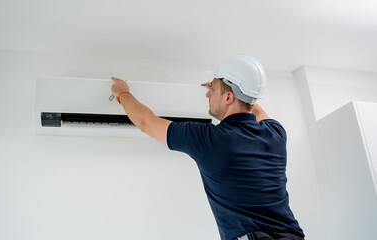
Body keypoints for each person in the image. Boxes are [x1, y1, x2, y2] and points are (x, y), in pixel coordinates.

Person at [110, 54, 305, 240]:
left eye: (211, 89)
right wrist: (221, 88)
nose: (207, 94)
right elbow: (253, 105)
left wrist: (122, 93)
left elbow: (147, 122)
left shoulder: (207, 139)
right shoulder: (276, 133)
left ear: (229, 98)